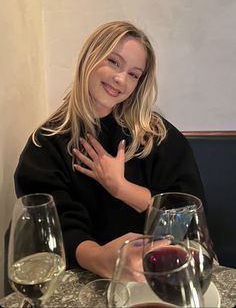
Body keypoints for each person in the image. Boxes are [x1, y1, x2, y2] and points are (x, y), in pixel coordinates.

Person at [14, 20, 204, 278]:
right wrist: (99, 259)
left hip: (155, 275)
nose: (120, 79)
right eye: (114, 62)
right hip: (79, 278)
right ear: (89, 58)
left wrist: (121, 187)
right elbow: (51, 227)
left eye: (134, 74)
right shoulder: (46, 143)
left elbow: (188, 218)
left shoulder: (157, 135)